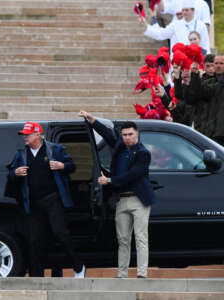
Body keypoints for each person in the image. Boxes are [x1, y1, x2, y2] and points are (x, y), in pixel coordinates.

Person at [78, 111, 156, 278]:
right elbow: (107, 134)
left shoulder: (143, 153)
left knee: (141, 238)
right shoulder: (120, 146)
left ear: (137, 134)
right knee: (123, 240)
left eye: (130, 134)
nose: (127, 137)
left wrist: (109, 181)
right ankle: (122, 274)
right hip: (121, 199)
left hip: (139, 200)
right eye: (124, 135)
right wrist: (92, 120)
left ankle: (142, 274)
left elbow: (133, 175)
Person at [8, 121, 85, 278]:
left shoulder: (55, 149)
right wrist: (15, 172)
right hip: (33, 203)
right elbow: (10, 175)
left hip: (52, 199)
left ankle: (78, 267)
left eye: (28, 134)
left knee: (60, 233)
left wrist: (62, 166)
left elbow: (72, 166)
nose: (25, 137)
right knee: (34, 239)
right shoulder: (21, 154)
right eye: (24, 135)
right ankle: (36, 276)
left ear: (38, 135)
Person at [141, 0, 210, 57]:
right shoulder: (175, 24)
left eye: (187, 10)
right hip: (178, 64)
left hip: (196, 63)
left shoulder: (201, 25)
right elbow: (161, 34)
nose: (184, 12)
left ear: (193, 11)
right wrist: (146, 26)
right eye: (183, 10)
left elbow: (205, 46)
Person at [183, 54, 224, 145]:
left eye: (221, 63)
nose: (218, 66)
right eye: (216, 63)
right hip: (213, 132)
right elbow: (196, 94)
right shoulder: (209, 82)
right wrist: (194, 74)